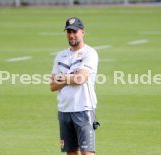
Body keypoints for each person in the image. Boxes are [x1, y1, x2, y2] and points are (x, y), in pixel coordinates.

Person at [50, 17, 99, 155]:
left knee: (87, 153)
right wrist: (71, 77)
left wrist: (62, 78)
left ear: (82, 32)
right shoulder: (60, 56)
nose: (71, 35)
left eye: (74, 31)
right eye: (69, 32)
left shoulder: (89, 53)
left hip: (83, 109)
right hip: (64, 111)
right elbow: (52, 86)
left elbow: (80, 79)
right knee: (71, 153)